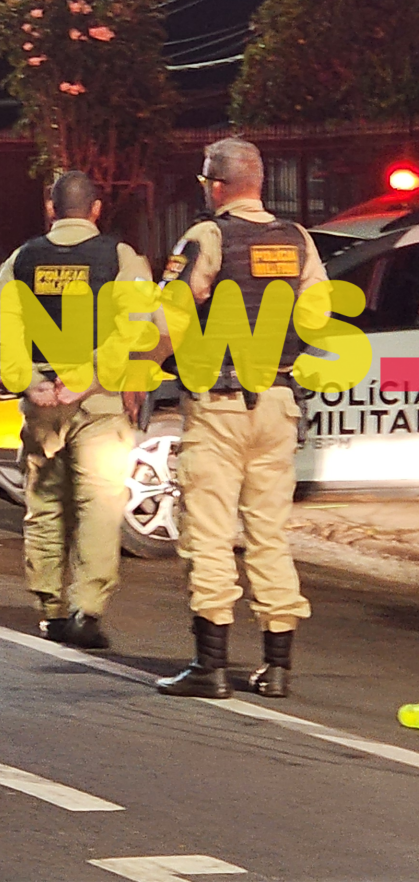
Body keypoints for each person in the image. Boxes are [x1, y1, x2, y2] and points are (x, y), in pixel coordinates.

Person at [155, 137, 327, 699]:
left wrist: (139, 369)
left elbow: (171, 318)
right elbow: (318, 317)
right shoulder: (297, 239)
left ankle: (210, 667)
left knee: (207, 533)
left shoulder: (207, 237)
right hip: (278, 402)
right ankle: (277, 668)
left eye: (205, 180)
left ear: (217, 185)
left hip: (219, 405)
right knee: (268, 533)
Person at [0, 171, 152, 649]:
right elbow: (138, 326)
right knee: (99, 504)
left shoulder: (22, 258)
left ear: (51, 208)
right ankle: (86, 611)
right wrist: (93, 375)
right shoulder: (120, 257)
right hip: (98, 401)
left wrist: (29, 382)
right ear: (96, 209)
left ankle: (50, 611)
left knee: (45, 503)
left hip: (43, 404)